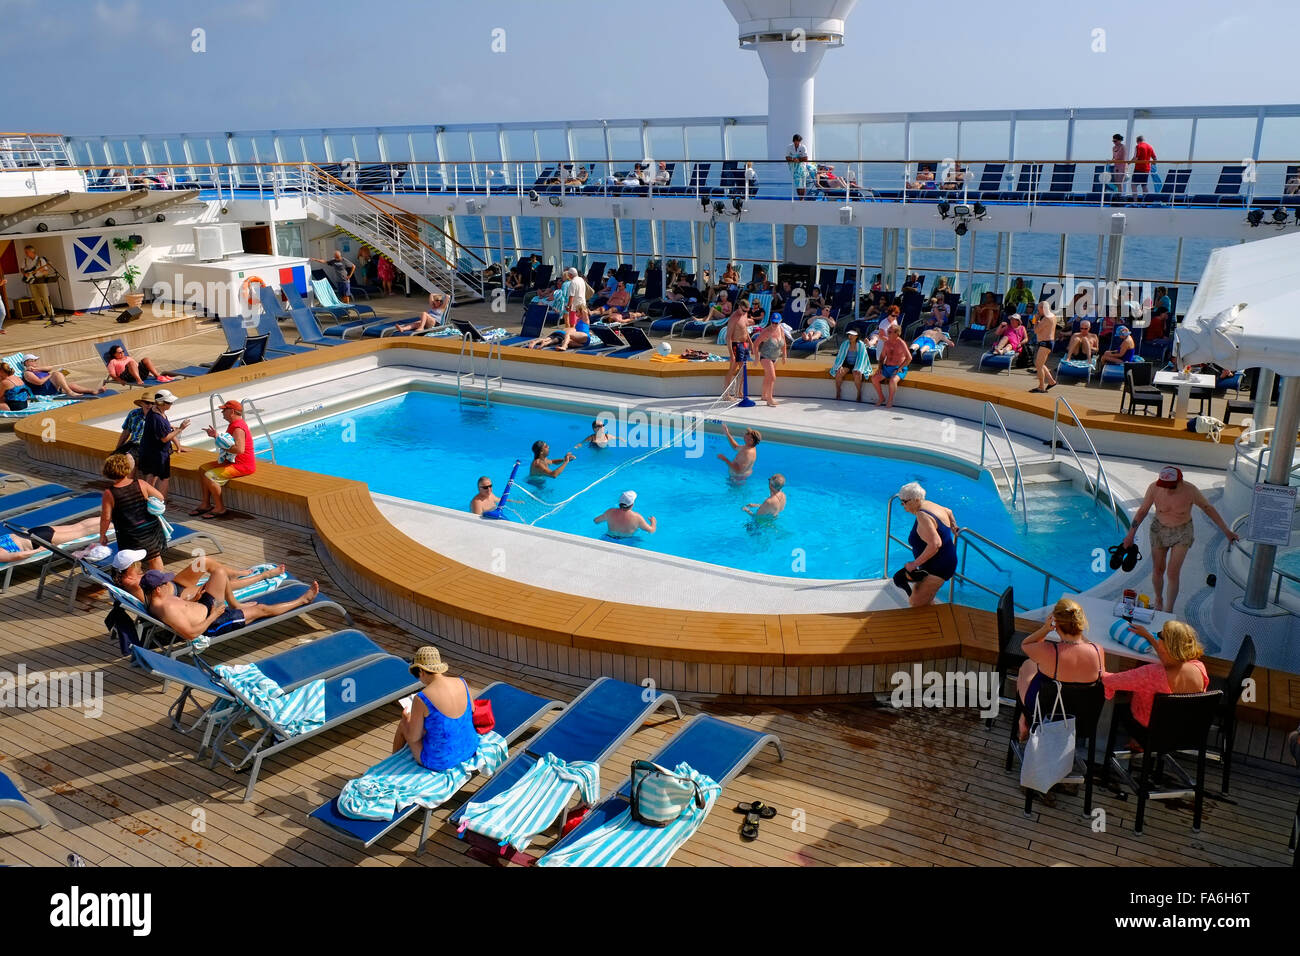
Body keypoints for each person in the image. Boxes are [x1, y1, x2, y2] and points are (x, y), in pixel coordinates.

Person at [1121, 466, 1240, 612]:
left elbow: (1208, 508)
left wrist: (1226, 531)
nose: (1168, 490)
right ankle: (1159, 599)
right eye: (1165, 486)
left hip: (1182, 531)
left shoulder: (1191, 491)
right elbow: (1143, 511)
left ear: (1180, 481)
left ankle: (1169, 609)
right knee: (1158, 569)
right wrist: (1130, 535)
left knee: (1172, 572)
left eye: (1171, 486)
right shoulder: (1154, 488)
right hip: (1159, 529)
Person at [141, 567, 320, 644]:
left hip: (206, 608)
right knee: (260, 609)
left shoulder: (159, 600)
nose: (168, 585)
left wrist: (195, 600)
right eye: (165, 584)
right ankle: (303, 600)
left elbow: (183, 611)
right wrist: (215, 614)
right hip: (213, 624)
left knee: (219, 573)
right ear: (157, 590)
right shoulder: (166, 608)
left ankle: (235, 605)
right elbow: (190, 634)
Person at [1013, 598, 1104, 740]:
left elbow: (1026, 644)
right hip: (1081, 720)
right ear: (1080, 623)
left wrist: (1045, 629)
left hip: (1043, 716)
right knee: (1035, 669)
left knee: (1027, 666)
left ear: (1057, 625)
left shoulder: (1050, 651)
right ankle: (1024, 718)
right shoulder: (1098, 651)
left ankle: (1024, 718)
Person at [1104, 620, 1209, 742]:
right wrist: (1150, 637)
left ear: (1166, 646)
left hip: (1150, 732)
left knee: (1122, 702)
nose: (1157, 636)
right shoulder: (1199, 667)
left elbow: (1109, 681)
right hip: (1184, 731)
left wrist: (1095, 654)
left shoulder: (1151, 674)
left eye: (1160, 635)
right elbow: (1171, 661)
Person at [392, 646, 479, 772]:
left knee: (403, 726)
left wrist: (406, 719)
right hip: (470, 748)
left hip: (441, 761)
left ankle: (392, 765)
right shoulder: (462, 682)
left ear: (421, 671)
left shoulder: (422, 698)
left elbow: (413, 738)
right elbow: (472, 710)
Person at [109, 549, 285, 604]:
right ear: (130, 567)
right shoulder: (130, 583)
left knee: (203, 561)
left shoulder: (127, 578)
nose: (141, 563)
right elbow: (155, 605)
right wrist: (192, 602)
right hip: (178, 596)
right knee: (221, 585)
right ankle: (266, 575)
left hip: (174, 584)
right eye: (138, 562)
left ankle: (234, 573)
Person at [99, 453, 169, 571]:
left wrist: (102, 535)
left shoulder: (109, 493)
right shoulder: (140, 483)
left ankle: (135, 583)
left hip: (129, 532)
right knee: (155, 557)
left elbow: (106, 517)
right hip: (150, 527)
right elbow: (160, 497)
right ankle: (159, 583)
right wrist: (147, 500)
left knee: (132, 561)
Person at [892, 482, 958, 608]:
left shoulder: (923, 515)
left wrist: (914, 564)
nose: (903, 506)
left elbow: (935, 544)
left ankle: (934, 626)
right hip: (940, 562)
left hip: (939, 567)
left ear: (916, 500)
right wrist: (954, 526)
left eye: (904, 502)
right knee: (926, 600)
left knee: (916, 603)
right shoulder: (929, 504)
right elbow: (948, 511)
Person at [194, 400, 256, 518]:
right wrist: (216, 436)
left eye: (224, 410)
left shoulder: (238, 427)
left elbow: (239, 449)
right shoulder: (233, 424)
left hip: (243, 466)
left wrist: (222, 445)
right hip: (232, 462)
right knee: (203, 469)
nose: (222, 412)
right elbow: (229, 442)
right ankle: (206, 504)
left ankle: (220, 508)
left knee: (210, 476)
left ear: (232, 411)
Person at [137, 389, 188, 497]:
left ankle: (150, 501)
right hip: (156, 453)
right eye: (169, 402)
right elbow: (164, 438)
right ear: (162, 403)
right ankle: (157, 502)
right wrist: (180, 429)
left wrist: (178, 446)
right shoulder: (157, 418)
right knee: (160, 478)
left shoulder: (155, 411)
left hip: (152, 451)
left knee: (154, 477)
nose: (171, 404)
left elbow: (163, 431)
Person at [0, 516, 104, 563]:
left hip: (38, 540)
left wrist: (38, 550)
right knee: (78, 526)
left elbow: (18, 555)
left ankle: (115, 525)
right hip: (33, 532)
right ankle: (111, 516)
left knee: (84, 532)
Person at [18, 355, 105, 398]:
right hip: (43, 391)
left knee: (71, 385)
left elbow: (50, 367)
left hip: (52, 387)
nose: (36, 362)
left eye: (36, 360)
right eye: (33, 360)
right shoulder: (27, 373)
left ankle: (93, 391)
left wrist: (37, 369)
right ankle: (69, 392)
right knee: (57, 374)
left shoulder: (37, 369)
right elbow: (39, 382)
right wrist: (50, 375)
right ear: (27, 363)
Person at [870, 326, 911, 408]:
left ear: (897, 333)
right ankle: (881, 398)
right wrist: (880, 368)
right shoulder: (887, 343)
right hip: (886, 367)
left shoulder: (901, 343)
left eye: (889, 332)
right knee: (874, 378)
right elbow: (882, 357)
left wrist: (900, 368)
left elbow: (909, 358)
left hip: (898, 368)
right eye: (888, 331)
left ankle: (890, 400)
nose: (887, 334)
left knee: (892, 381)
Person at [754, 314, 787, 407]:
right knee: (772, 377)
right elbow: (755, 344)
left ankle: (764, 395)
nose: (774, 324)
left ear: (780, 322)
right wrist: (756, 358)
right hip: (765, 357)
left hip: (775, 357)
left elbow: (784, 343)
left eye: (776, 323)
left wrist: (784, 355)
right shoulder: (766, 332)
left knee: (768, 377)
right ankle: (769, 399)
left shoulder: (781, 329)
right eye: (773, 322)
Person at [831, 329, 871, 402]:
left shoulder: (861, 345)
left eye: (852, 335)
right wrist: (840, 366)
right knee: (839, 373)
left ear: (857, 336)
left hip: (858, 363)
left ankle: (859, 393)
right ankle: (838, 391)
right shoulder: (845, 343)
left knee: (857, 374)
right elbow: (840, 357)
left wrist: (858, 369)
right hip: (847, 363)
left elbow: (862, 359)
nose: (850, 336)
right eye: (849, 334)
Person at [114, 392, 154, 464]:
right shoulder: (133, 413)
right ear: (141, 403)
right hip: (133, 443)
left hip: (146, 446)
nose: (150, 405)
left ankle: (128, 475)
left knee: (129, 457)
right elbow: (126, 432)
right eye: (147, 402)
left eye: (152, 403)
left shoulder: (156, 417)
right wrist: (118, 448)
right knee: (113, 458)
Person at [20, 245, 56, 322]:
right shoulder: (25, 260)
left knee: (45, 297)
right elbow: (22, 268)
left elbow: (46, 272)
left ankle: (51, 314)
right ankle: (43, 314)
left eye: (27, 252)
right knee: (36, 298)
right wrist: (24, 274)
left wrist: (42, 271)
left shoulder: (41, 260)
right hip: (31, 281)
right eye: (25, 252)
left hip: (41, 280)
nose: (25, 253)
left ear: (32, 252)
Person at [724, 300, 753, 393]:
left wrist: (751, 342)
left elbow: (744, 329)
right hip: (736, 345)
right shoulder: (734, 318)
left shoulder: (744, 314)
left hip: (744, 345)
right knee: (732, 370)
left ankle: (739, 392)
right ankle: (726, 394)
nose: (745, 313)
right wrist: (731, 354)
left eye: (747, 311)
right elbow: (728, 337)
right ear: (739, 306)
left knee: (743, 371)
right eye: (744, 310)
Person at [1030, 301, 1058, 393]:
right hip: (1048, 342)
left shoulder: (1046, 319)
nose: (1038, 312)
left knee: (1039, 365)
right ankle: (1051, 381)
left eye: (1038, 309)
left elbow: (1036, 331)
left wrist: (1035, 320)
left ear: (1042, 308)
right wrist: (1038, 321)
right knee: (1040, 363)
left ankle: (1041, 387)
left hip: (1045, 343)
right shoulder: (1053, 316)